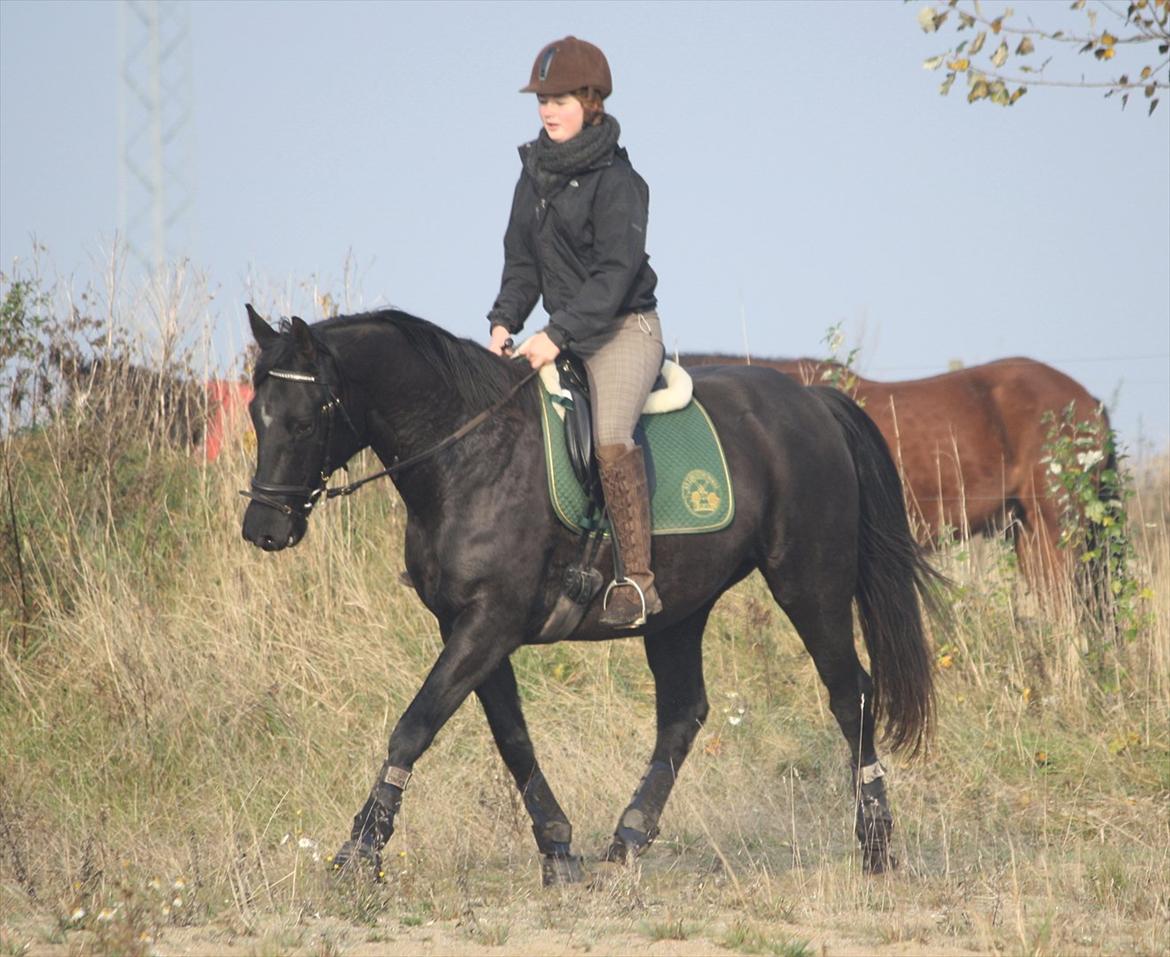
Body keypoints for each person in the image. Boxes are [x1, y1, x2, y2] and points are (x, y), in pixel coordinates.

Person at [486, 36, 664, 629]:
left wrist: (556, 334)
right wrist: (504, 321)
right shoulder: (532, 175)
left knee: (611, 436)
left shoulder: (620, 181)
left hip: (621, 332)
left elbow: (615, 278)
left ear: (591, 101)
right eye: (541, 100)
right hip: (560, 332)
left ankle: (638, 582)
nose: (546, 110)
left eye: (558, 98)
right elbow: (522, 264)